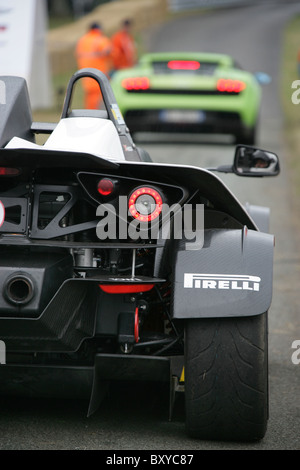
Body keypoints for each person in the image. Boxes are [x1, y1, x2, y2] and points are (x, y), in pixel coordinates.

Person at [75, 22, 112, 109]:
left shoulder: (82, 40)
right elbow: (108, 51)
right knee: (100, 96)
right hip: (98, 71)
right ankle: (96, 114)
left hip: (84, 72)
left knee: (89, 95)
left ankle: (89, 113)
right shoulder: (100, 39)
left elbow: (78, 54)